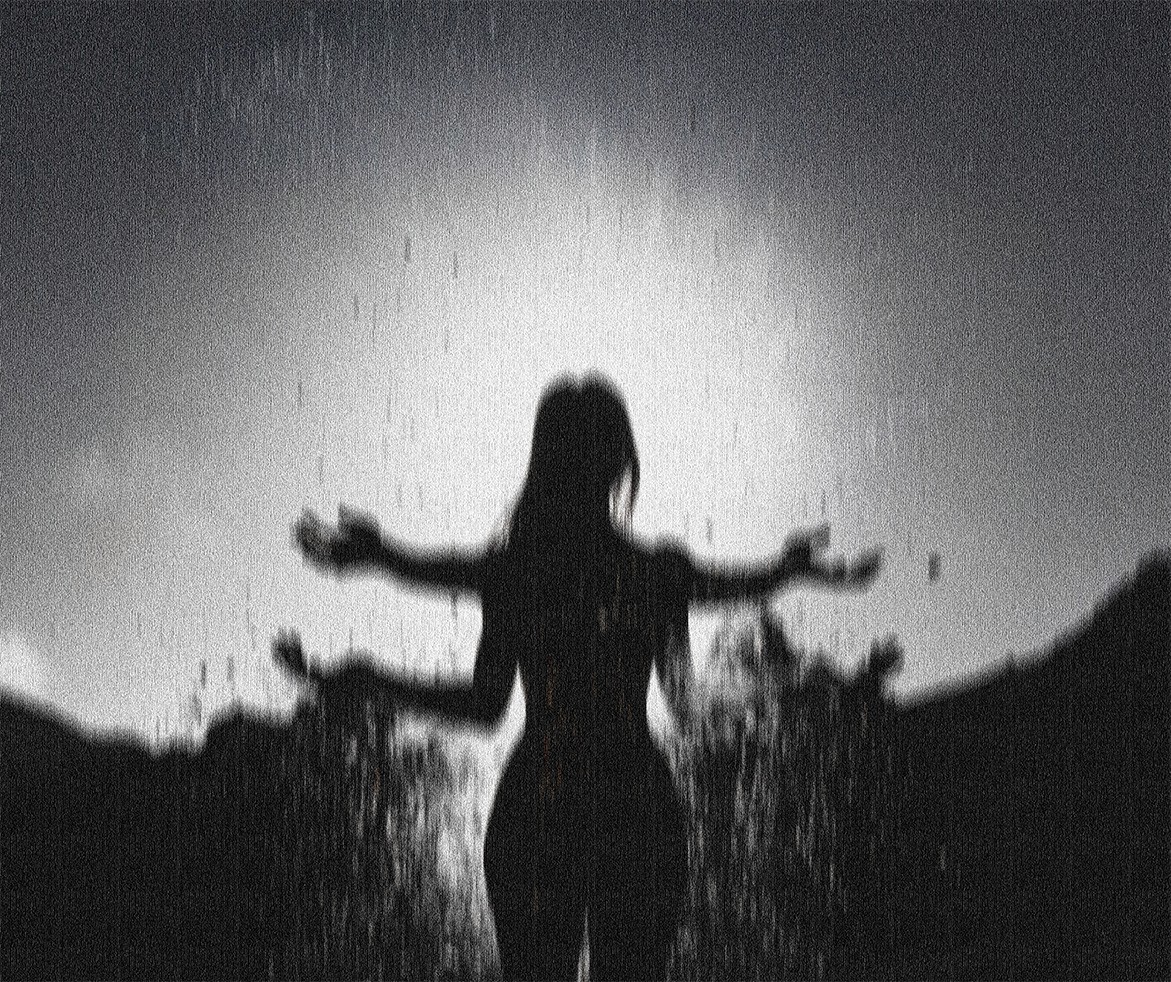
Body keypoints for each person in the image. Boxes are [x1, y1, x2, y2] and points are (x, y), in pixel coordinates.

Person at [274, 373, 883, 981]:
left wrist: (375, 656)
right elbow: (691, 699)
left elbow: (483, 704)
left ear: (544, 463)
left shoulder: (522, 569)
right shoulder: (650, 573)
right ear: (622, 465)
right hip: (635, 805)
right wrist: (789, 628)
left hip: (539, 805)